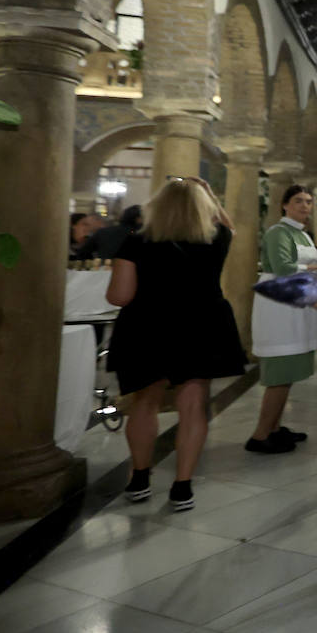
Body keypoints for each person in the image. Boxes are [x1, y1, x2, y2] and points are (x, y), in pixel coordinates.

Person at [105, 177, 246, 511]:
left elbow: (119, 295)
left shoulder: (136, 241)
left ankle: (140, 479)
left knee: (144, 403)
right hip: (202, 326)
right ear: (205, 209)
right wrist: (209, 193)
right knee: (193, 406)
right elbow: (231, 228)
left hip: (146, 327)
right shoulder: (217, 238)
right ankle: (182, 487)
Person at [248, 184, 317, 453]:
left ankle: (275, 428)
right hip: (280, 307)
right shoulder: (278, 232)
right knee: (279, 372)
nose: (305, 206)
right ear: (284, 205)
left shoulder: (301, 234)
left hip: (296, 305)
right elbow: (283, 268)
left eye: (309, 201)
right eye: (299, 201)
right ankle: (259, 435)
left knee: (287, 372)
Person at [76, 204, 143, 260]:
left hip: (103, 270)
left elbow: (82, 253)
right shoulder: (139, 235)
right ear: (138, 219)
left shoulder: (103, 232)